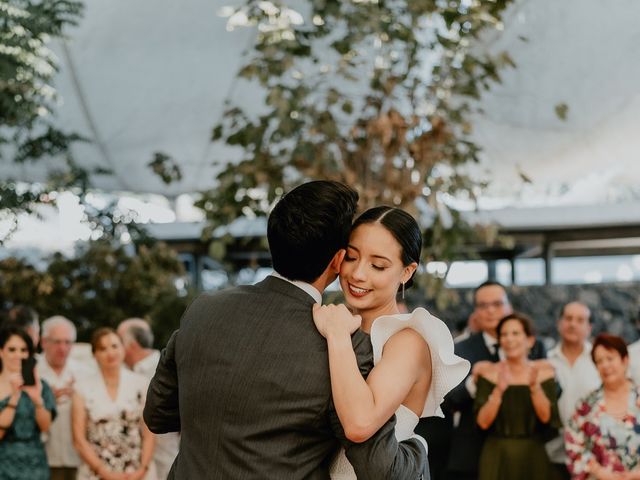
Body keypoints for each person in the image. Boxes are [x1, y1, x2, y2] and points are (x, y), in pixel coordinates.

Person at [144, 181, 429, 479]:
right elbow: (379, 467)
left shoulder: (204, 310)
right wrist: (418, 448)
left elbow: (158, 414)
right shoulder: (344, 344)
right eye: (354, 257)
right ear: (338, 259)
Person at [311, 206, 470, 479]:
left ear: (407, 272)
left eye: (378, 265)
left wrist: (337, 336)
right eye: (351, 257)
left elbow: (360, 424)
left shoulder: (408, 340)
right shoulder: (340, 322)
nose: (358, 274)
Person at [445, 281, 547, 480]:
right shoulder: (461, 349)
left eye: (498, 304)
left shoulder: (534, 346)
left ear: (509, 306)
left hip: (524, 450)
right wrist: (474, 382)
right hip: (473, 453)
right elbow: (449, 399)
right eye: (483, 306)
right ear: (476, 312)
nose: (491, 311)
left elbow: (553, 393)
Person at [473, 312, 560, 480]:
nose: (509, 339)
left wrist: (534, 387)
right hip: (497, 454)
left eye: (515, 333)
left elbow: (546, 418)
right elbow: (482, 423)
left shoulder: (544, 372)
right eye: (504, 334)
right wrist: (498, 390)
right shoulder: (488, 372)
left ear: (530, 340)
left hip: (533, 454)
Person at [72, 328, 156, 480]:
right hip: (97, 472)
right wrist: (105, 473)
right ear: (95, 354)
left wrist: (142, 469)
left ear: (123, 349)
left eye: (115, 346)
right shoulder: (81, 388)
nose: (110, 353)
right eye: (103, 349)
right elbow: (78, 439)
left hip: (137, 471)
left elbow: (149, 433)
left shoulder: (142, 384)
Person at [565, 333, 640, 479]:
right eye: (599, 361)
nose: (605, 365)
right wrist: (600, 472)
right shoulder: (586, 405)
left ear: (625, 360)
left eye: (610, 358)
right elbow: (574, 447)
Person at [118, 318, 179, 480]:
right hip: (129, 462)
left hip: (163, 458)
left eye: (119, 341)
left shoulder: (166, 368)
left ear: (131, 345)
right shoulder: (120, 371)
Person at [545, 302, 600, 479]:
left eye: (580, 320)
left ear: (589, 327)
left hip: (593, 456)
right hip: (553, 452)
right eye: (568, 318)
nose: (572, 324)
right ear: (559, 323)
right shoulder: (546, 361)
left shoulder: (600, 361)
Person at [37, 316, 92, 480]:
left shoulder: (85, 372)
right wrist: (46, 399)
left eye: (68, 342)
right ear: (43, 342)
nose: (63, 348)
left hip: (78, 459)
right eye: (57, 342)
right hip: (43, 457)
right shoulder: (33, 371)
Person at [0, 325, 56, 479]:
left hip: (35, 466)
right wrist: (14, 397)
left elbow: (45, 427)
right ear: (1, 351)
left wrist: (37, 399)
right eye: (12, 349)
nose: (18, 355)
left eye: (23, 350)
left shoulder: (41, 386)